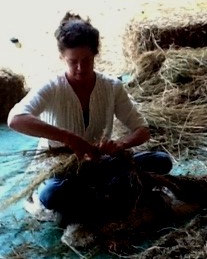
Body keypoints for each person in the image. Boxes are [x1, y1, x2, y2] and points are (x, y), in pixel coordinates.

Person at [7, 11, 173, 226]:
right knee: (51, 194)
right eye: (72, 61)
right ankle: (109, 193)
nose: (80, 68)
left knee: (161, 161)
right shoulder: (51, 87)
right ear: (61, 58)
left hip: (101, 162)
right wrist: (68, 138)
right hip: (65, 170)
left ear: (96, 54)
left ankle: (98, 196)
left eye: (86, 60)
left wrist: (121, 144)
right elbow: (15, 119)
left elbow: (142, 130)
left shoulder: (111, 86)